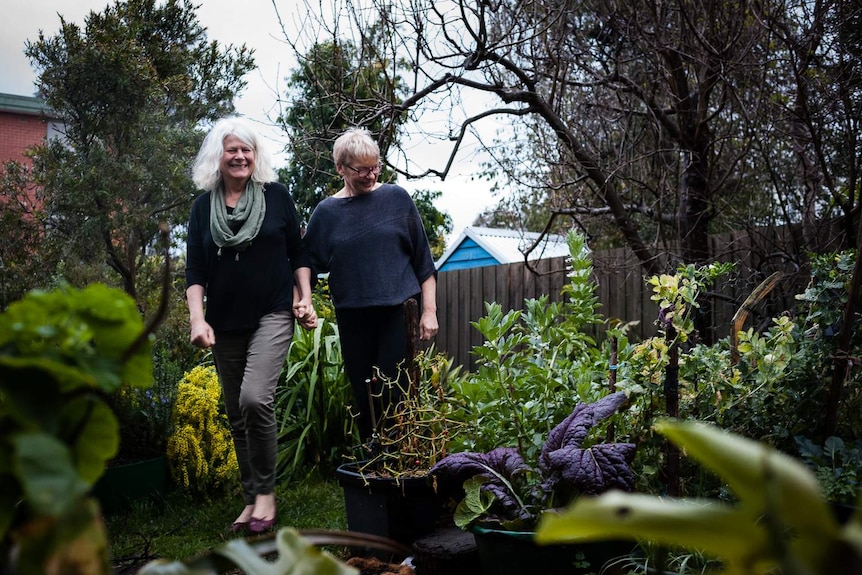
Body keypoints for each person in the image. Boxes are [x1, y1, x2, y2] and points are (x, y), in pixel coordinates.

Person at [185, 116, 317, 535]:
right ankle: (250, 499)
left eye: (246, 149)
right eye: (232, 150)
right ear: (218, 157)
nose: (240, 156)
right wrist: (197, 319)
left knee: (256, 398)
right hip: (224, 321)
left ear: (254, 155)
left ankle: (266, 494)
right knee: (237, 413)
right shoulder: (202, 208)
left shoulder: (276, 196)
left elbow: (298, 253)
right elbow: (194, 272)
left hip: (272, 311)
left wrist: (305, 297)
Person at [304, 127, 438, 441]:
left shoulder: (397, 199)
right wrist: (303, 301)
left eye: (375, 167)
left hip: (397, 311)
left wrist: (429, 311)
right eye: (361, 169)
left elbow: (423, 260)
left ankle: (403, 466)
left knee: (395, 393)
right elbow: (306, 266)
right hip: (353, 318)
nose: (370, 174)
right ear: (340, 168)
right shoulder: (326, 214)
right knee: (365, 398)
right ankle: (375, 466)